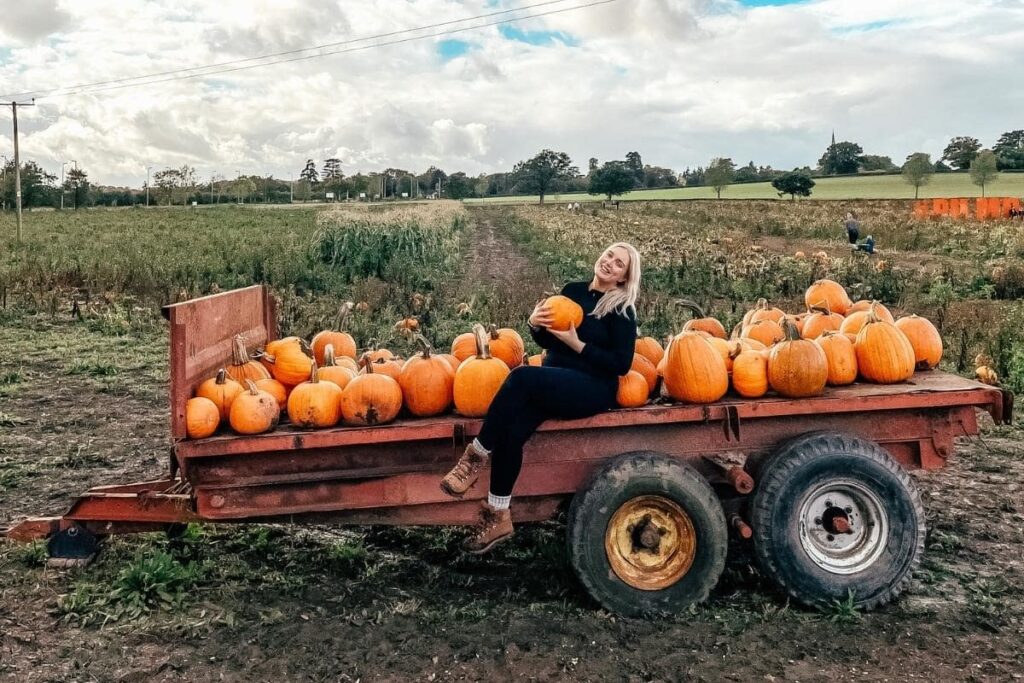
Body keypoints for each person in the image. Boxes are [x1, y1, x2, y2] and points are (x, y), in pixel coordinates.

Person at [440, 242, 641, 553]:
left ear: (624, 278)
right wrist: (534, 324)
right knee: (511, 433)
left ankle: (474, 457)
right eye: (609, 256)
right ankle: (498, 515)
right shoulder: (571, 290)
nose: (609, 263)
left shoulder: (621, 309)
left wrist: (579, 345)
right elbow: (548, 336)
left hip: (592, 387)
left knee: (521, 376)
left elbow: (621, 363)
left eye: (619, 264)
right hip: (555, 379)